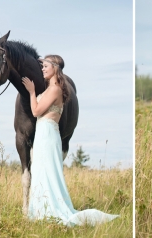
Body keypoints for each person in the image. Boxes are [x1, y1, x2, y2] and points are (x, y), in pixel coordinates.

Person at [21, 55, 119, 226]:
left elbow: (36, 111)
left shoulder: (55, 89)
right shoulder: (52, 88)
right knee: (41, 171)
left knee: (47, 172)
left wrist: (31, 92)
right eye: (42, 66)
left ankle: (48, 210)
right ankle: (40, 210)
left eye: (45, 66)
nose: (42, 69)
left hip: (47, 135)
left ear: (55, 68)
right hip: (45, 134)